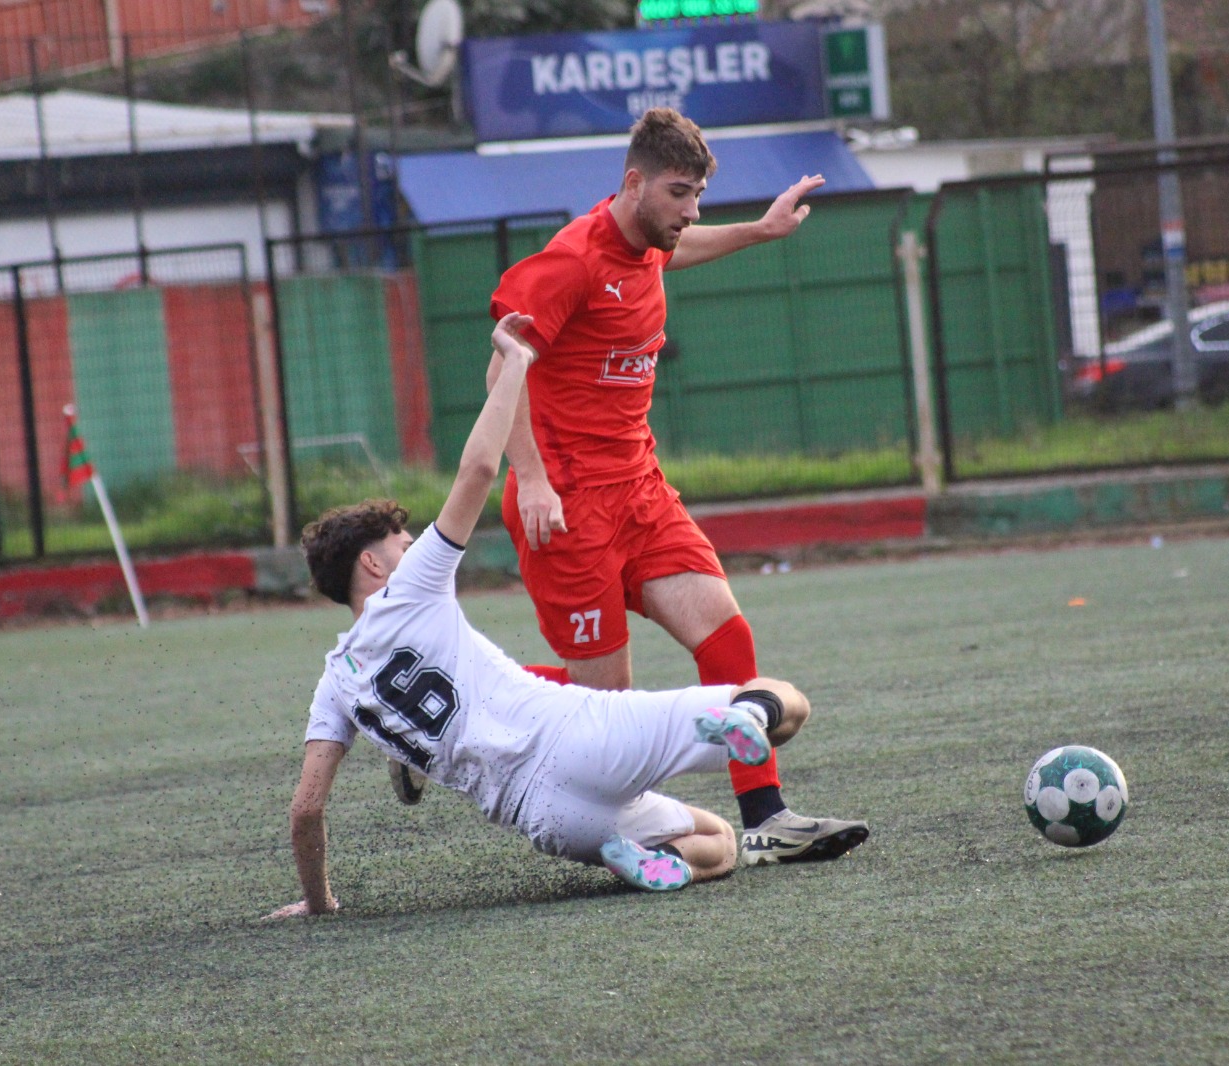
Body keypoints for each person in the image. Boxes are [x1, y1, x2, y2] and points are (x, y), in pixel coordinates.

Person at [265, 313, 819, 917]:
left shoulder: (335, 686)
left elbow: (306, 809)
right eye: (404, 543)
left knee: (718, 841)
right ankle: (745, 716)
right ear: (373, 564)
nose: (414, 546)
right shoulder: (411, 590)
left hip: (543, 817)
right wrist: (515, 364)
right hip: (576, 737)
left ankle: (661, 861)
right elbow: (479, 468)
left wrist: (318, 901)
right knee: (787, 705)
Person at [483, 107, 867, 865]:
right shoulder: (573, 261)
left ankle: (767, 817)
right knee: (607, 714)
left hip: (640, 489)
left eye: (698, 195)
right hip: (567, 505)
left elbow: (676, 250)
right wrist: (529, 477)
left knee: (727, 635)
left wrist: (760, 230)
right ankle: (457, 706)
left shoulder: (650, 241)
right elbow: (502, 366)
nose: (690, 212)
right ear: (634, 183)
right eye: (679, 194)